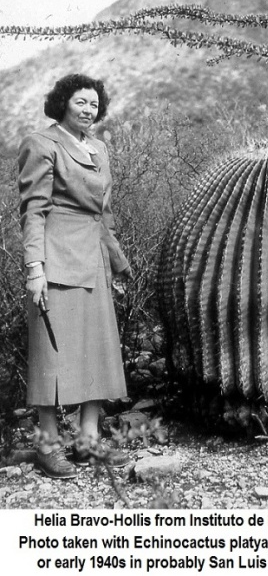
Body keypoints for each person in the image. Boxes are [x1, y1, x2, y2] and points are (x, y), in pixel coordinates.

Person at [18, 73, 132, 479]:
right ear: (63, 102)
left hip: (94, 258)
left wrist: (117, 264)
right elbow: (33, 211)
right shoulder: (41, 143)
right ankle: (48, 445)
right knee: (54, 353)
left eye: (94, 103)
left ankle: (87, 441)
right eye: (81, 102)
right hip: (58, 258)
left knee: (97, 350)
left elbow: (103, 213)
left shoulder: (99, 148)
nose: (89, 109)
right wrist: (35, 269)